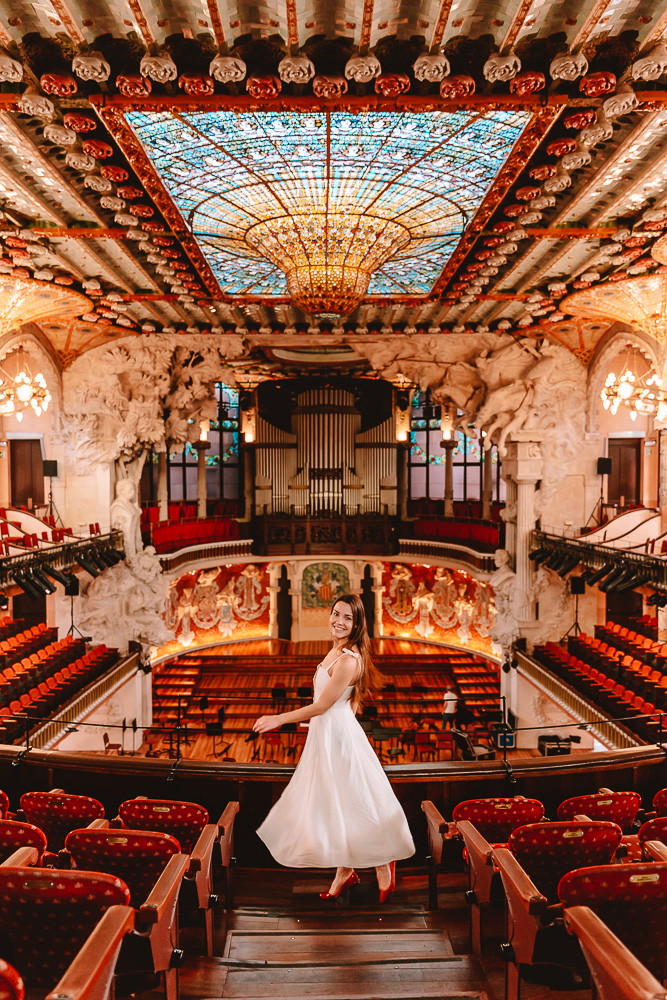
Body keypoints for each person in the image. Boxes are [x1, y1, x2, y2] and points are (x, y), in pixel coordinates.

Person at [253, 593, 415, 901]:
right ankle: (345, 871)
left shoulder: (349, 660)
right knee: (335, 803)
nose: (338, 622)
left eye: (347, 618)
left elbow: (322, 706)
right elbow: (348, 703)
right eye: (336, 614)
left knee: (354, 801)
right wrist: (328, 731)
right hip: (329, 734)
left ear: (356, 625)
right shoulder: (336, 651)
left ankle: (382, 861)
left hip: (336, 734)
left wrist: (279, 718)